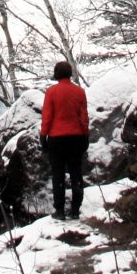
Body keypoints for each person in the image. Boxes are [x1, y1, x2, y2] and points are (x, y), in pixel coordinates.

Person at [40, 59, 89, 219]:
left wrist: (43, 136)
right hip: (76, 137)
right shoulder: (80, 92)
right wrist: (85, 135)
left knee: (58, 174)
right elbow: (84, 117)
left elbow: (47, 117)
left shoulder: (51, 92)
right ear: (70, 73)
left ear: (56, 74)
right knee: (76, 173)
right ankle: (75, 210)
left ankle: (59, 210)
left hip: (56, 139)